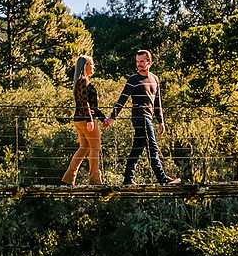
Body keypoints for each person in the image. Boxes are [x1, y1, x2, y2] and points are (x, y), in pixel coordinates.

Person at [103, 50, 180, 185]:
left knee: (138, 148)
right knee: (152, 146)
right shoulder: (133, 79)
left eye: (142, 61)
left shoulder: (155, 79)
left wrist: (161, 121)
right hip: (140, 116)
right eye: (137, 62)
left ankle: (127, 179)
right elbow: (122, 99)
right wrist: (112, 117)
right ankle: (161, 178)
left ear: (149, 62)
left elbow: (157, 102)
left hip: (149, 116)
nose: (139, 64)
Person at [62, 55, 105, 185]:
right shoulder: (83, 81)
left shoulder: (79, 81)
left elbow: (92, 106)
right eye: (91, 64)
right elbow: (84, 103)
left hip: (79, 119)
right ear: (85, 65)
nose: (93, 66)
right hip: (85, 119)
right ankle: (94, 179)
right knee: (95, 147)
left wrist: (103, 118)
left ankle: (68, 178)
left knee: (84, 147)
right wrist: (89, 120)